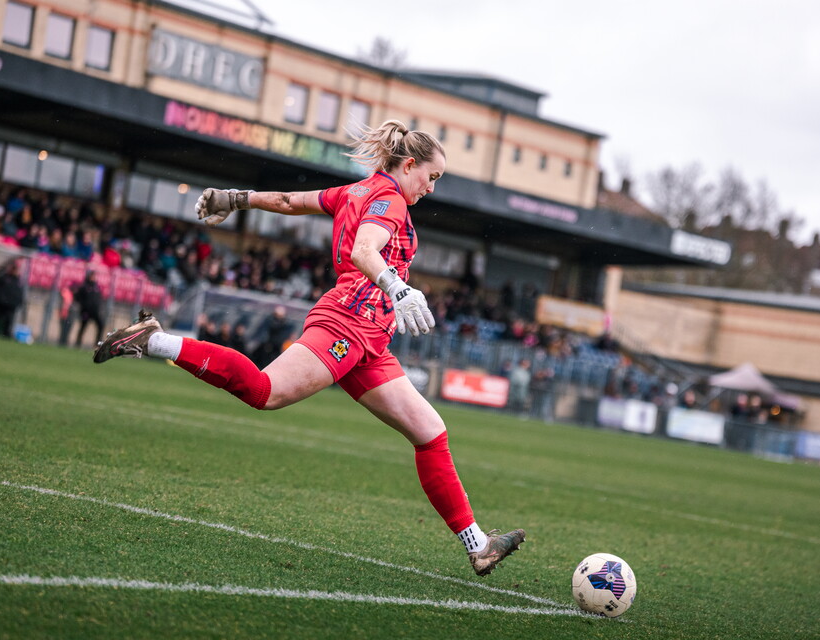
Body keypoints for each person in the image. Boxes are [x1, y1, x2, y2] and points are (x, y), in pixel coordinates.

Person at [93, 120, 525, 576]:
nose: (431, 189)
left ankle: (478, 545)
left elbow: (286, 201)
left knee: (430, 432)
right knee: (265, 391)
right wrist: (398, 288)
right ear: (410, 164)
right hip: (349, 322)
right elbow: (363, 250)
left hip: (370, 340)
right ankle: (154, 340)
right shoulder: (391, 200)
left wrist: (235, 198)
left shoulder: (354, 191)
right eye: (432, 177)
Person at [0, 263, 24, 338]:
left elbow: (19, 293)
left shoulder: (18, 281)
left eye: (17, 270)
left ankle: (6, 334)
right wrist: (0, 298)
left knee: (8, 321)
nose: (16, 272)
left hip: (11, 305)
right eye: (15, 270)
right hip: (1, 304)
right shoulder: (4, 278)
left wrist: (19, 302)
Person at [74, 271, 105, 347]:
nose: (93, 278)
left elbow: (99, 298)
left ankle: (97, 343)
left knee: (101, 325)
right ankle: (78, 343)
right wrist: (83, 306)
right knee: (83, 326)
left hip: (95, 311)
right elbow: (78, 297)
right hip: (86, 311)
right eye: (92, 276)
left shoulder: (96, 287)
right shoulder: (84, 287)